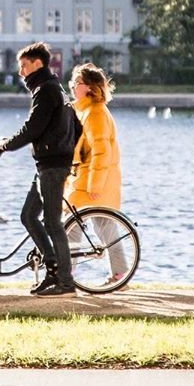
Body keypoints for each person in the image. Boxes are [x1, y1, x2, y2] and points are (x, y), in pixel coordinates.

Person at [0, 41, 76, 296]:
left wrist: (7, 144)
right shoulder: (54, 88)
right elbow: (76, 126)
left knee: (53, 222)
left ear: (37, 64)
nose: (21, 72)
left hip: (52, 165)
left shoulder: (46, 90)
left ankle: (65, 281)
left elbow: (33, 128)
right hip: (47, 163)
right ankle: (52, 267)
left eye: (24, 66)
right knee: (28, 216)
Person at [65, 63, 127, 282]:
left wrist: (94, 186)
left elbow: (101, 153)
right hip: (86, 179)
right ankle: (119, 274)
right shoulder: (86, 110)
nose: (72, 86)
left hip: (94, 182)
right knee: (102, 226)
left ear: (89, 87)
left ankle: (67, 273)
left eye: (77, 83)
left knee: (74, 225)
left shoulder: (95, 113)